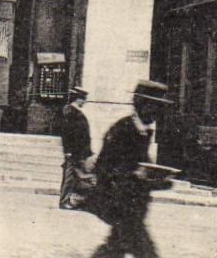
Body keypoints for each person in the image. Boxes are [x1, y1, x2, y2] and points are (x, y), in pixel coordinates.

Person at [90, 80, 175, 258]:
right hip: (122, 205)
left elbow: (142, 167)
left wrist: (159, 180)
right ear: (141, 105)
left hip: (133, 207)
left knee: (113, 250)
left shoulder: (142, 131)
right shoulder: (123, 130)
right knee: (144, 252)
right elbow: (103, 168)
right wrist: (133, 176)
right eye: (155, 106)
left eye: (160, 107)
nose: (157, 112)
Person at [59, 86, 95, 209]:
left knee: (73, 177)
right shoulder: (71, 112)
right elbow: (67, 133)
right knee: (70, 177)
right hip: (73, 151)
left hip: (78, 151)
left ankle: (68, 200)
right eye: (83, 99)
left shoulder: (76, 112)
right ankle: (64, 201)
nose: (84, 102)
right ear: (78, 99)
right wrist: (68, 150)